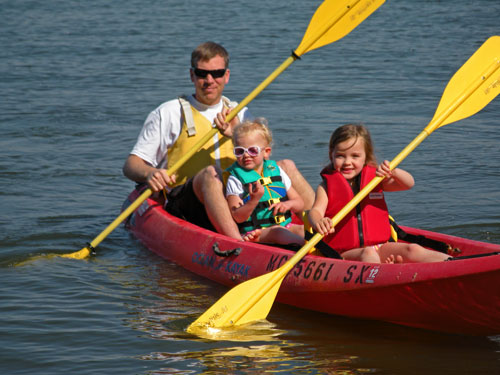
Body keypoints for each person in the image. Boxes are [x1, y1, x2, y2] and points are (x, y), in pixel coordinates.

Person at [123, 41, 314, 240]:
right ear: (191, 75)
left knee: (285, 165)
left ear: (226, 76)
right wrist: (150, 173)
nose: (209, 80)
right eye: (201, 73)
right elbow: (131, 165)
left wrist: (234, 135)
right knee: (210, 174)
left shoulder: (241, 111)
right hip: (189, 201)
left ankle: (320, 226)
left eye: (217, 73)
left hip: (239, 199)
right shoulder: (169, 112)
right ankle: (238, 244)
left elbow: (261, 159)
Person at [308, 124, 451, 263]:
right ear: (331, 155)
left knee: (413, 249)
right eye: (340, 156)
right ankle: (382, 272)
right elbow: (315, 212)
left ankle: (454, 263)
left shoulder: (375, 180)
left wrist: (394, 172)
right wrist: (319, 221)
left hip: (380, 246)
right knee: (368, 253)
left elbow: (408, 184)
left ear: (366, 156)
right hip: (345, 253)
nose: (347, 162)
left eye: (355, 156)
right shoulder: (326, 186)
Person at [225, 119, 306, 245]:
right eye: (240, 151)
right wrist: (253, 200)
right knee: (278, 232)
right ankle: (310, 251)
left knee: (303, 229)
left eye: (252, 150)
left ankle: (326, 252)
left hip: (285, 225)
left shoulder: (276, 170)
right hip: (254, 232)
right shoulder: (235, 179)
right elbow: (237, 217)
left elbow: (300, 203)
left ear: (266, 152)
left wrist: (288, 204)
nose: (246, 155)